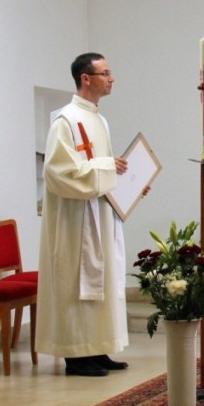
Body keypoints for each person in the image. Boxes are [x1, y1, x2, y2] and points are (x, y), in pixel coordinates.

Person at [37, 52, 131, 377]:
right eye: (105, 73)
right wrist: (107, 166)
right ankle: (76, 357)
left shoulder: (99, 120)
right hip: (74, 220)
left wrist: (130, 185)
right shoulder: (65, 121)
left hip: (99, 213)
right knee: (76, 283)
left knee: (103, 280)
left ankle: (97, 347)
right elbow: (57, 173)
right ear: (86, 78)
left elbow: (102, 170)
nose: (112, 78)